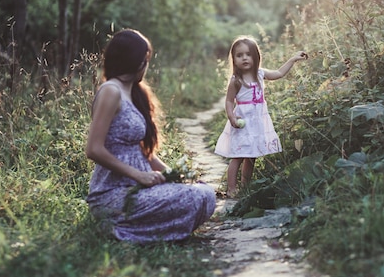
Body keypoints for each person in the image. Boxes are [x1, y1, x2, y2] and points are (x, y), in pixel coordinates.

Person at [85, 29, 215, 243]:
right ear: (135, 61)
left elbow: (143, 153)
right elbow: (94, 149)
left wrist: (174, 174)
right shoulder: (111, 91)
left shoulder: (134, 92)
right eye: (146, 60)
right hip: (114, 194)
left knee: (204, 193)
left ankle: (144, 229)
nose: (147, 66)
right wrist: (139, 175)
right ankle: (119, 228)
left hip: (142, 187)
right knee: (194, 197)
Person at [214, 36, 307, 197]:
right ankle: (231, 188)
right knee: (238, 156)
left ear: (256, 57)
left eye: (248, 54)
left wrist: (292, 59)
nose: (244, 58)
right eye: (239, 55)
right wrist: (232, 117)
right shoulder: (236, 80)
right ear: (234, 59)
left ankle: (245, 187)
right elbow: (229, 101)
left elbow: (279, 73)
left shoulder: (260, 74)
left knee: (252, 157)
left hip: (256, 124)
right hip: (243, 122)